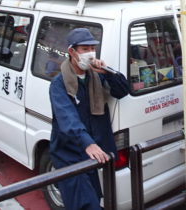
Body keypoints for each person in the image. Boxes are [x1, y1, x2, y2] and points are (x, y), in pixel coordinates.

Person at [49, 28, 130, 210]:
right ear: (72, 52)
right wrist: (87, 143)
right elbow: (67, 118)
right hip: (69, 153)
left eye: (92, 48)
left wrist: (107, 72)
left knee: (94, 196)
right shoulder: (59, 84)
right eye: (85, 49)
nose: (90, 53)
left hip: (91, 152)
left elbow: (122, 91)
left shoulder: (96, 76)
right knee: (85, 204)